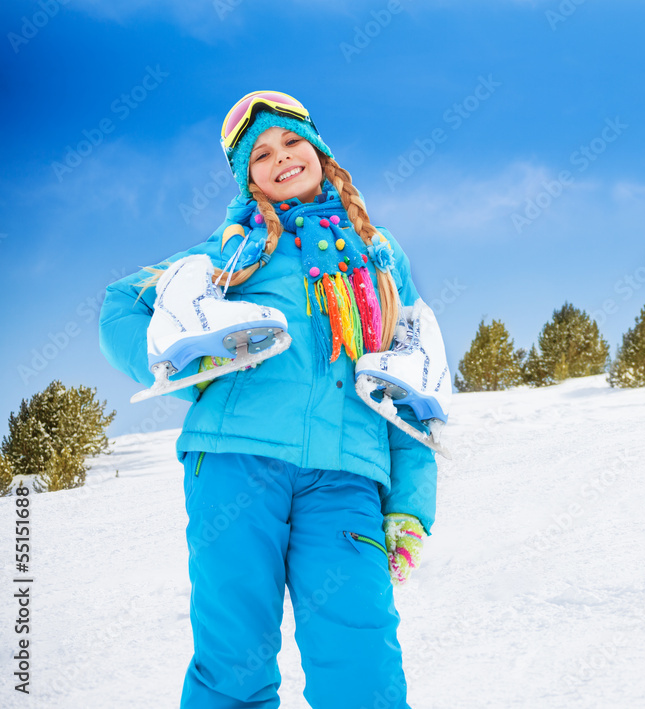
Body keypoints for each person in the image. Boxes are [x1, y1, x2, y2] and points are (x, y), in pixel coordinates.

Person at [98, 90, 440, 709]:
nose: (281, 158)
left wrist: (412, 504)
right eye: (260, 154)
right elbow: (120, 304)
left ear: (319, 150)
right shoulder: (229, 250)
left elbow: (411, 383)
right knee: (235, 661)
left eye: (291, 141)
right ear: (246, 177)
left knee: (362, 663)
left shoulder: (381, 257)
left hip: (347, 476)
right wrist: (195, 367)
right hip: (234, 464)